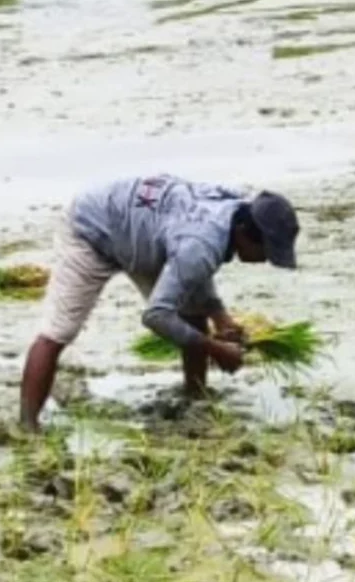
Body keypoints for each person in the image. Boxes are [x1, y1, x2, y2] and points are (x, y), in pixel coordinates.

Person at [19, 174, 300, 431]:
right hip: (90, 230)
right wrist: (215, 348)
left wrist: (219, 315)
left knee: (193, 311)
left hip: (144, 233)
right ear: (244, 232)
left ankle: (195, 397)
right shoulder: (201, 244)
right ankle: (27, 426)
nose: (266, 259)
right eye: (266, 250)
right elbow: (156, 316)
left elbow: (192, 265)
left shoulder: (235, 205)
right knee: (58, 332)